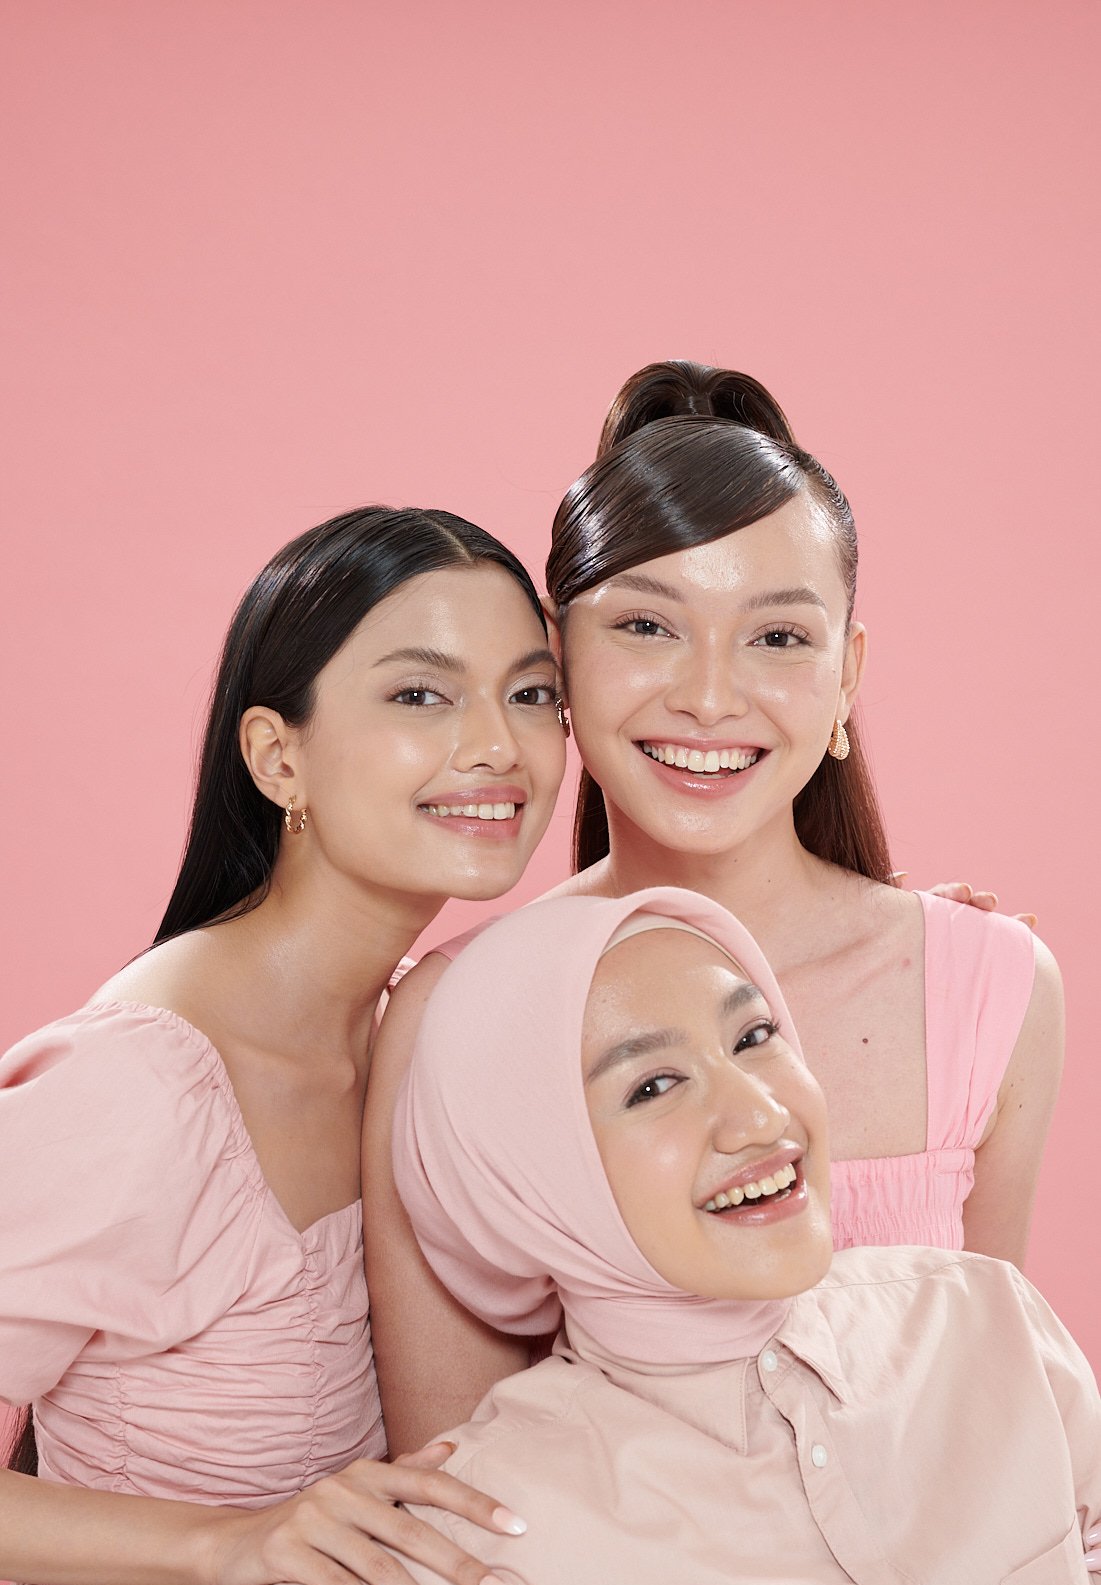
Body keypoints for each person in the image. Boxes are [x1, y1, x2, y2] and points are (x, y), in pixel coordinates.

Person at [364, 364, 1064, 1456]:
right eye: (647, 625)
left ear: (847, 676)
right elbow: (451, 1485)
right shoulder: (455, 1015)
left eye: (778, 637)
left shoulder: (990, 988)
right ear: (557, 660)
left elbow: (988, 1414)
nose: (707, 696)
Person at [127, 888, 1100, 1585]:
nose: (760, 1115)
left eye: (755, 1036)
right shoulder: (486, 1528)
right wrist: (211, 1546)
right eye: (653, 1084)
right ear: (535, 1181)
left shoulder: (983, 1317)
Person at [0, 506, 567, 1585]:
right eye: (421, 693)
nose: (498, 746)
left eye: (531, 692)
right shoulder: (136, 1089)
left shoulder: (425, 1032)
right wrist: (231, 1541)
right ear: (277, 756)